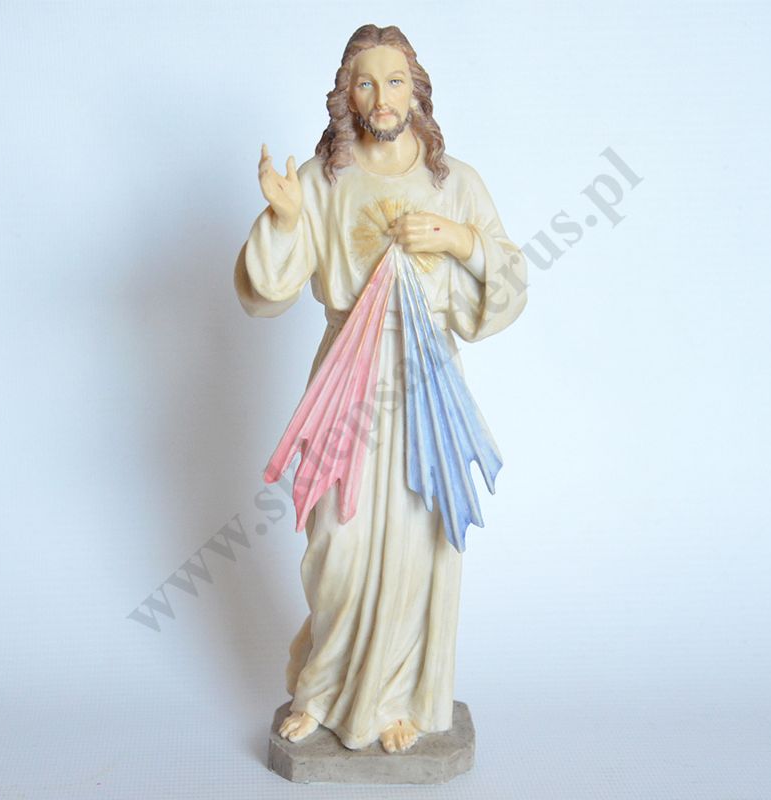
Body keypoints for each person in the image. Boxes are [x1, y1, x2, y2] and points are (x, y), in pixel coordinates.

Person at [234, 24, 528, 753]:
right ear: (347, 96)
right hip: (347, 376)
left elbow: (512, 282)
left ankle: (396, 699)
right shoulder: (322, 178)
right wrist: (284, 218)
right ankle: (324, 689)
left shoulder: (454, 183)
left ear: (417, 91)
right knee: (336, 541)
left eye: (395, 81)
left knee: (417, 542)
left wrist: (460, 241)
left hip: (425, 380)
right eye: (366, 82)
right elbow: (265, 293)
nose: (382, 96)